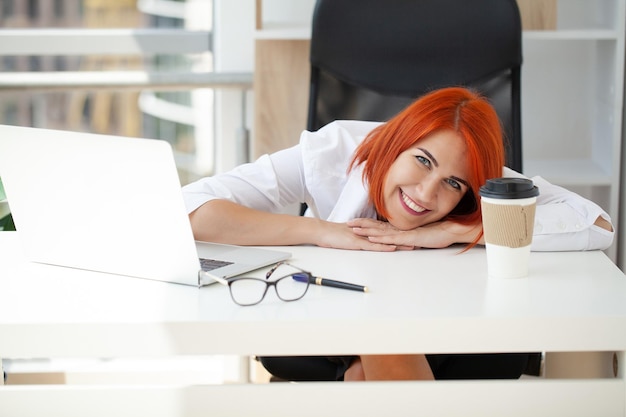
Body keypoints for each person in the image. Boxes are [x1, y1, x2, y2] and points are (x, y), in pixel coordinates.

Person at [182, 87, 614, 382]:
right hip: (337, 315)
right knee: (375, 349)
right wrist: (321, 231)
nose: (426, 193)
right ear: (396, 142)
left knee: (373, 358)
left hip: (441, 320)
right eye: (423, 161)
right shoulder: (336, 152)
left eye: (452, 184)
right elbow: (188, 209)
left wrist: (450, 230)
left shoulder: (475, 171)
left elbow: (596, 224)